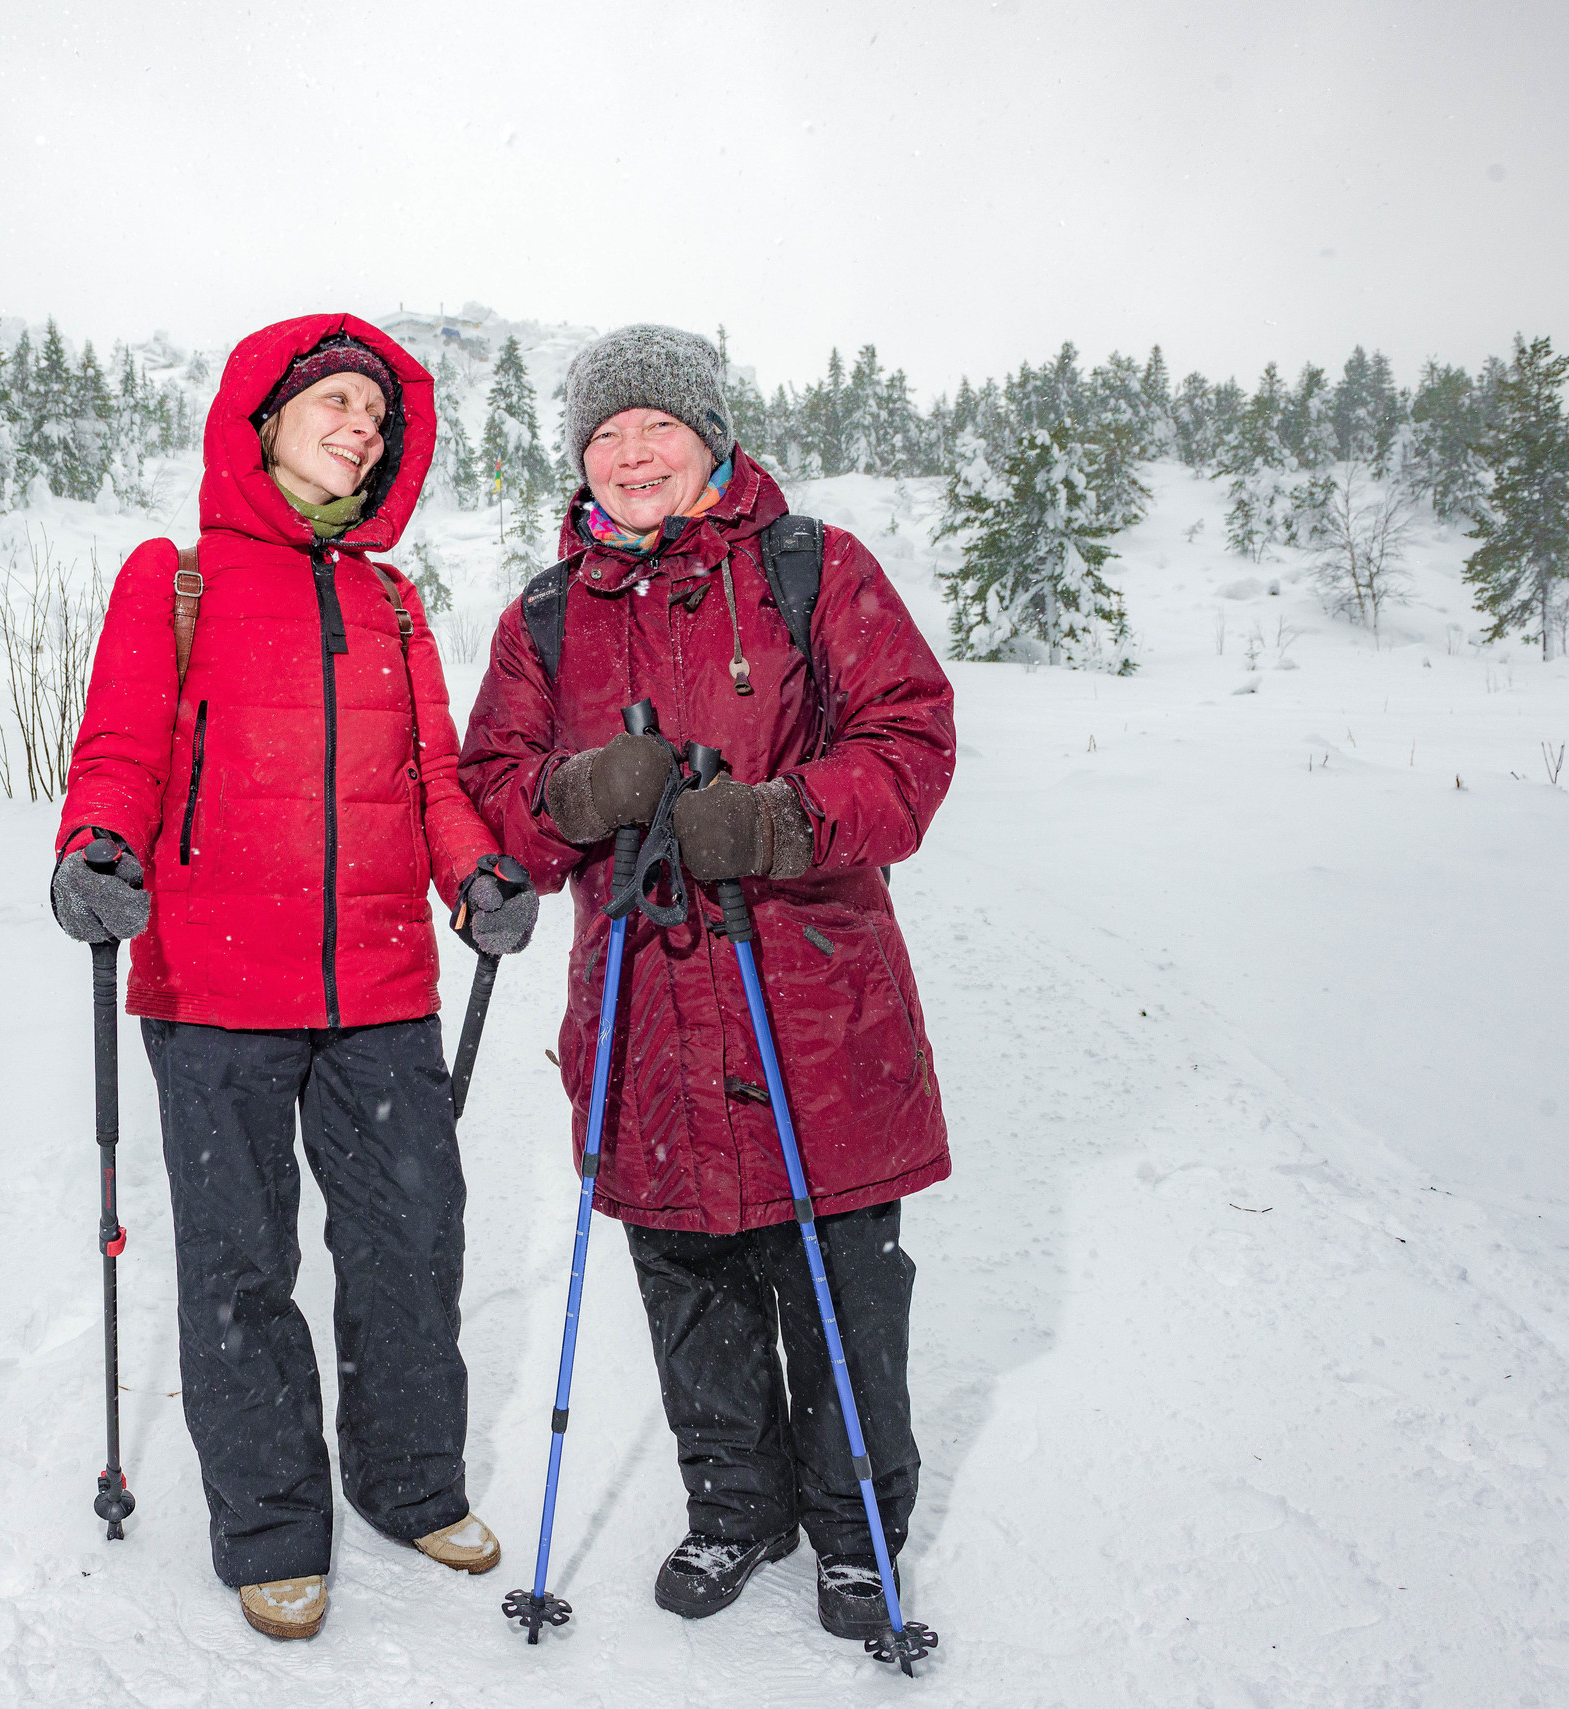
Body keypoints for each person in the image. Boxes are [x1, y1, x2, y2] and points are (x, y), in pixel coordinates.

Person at [458, 324, 955, 1640]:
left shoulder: (810, 569)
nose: (630, 455)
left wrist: (781, 819)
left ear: (709, 437)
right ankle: (735, 1502)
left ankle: (856, 1528)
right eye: (605, 436)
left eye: (654, 429)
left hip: (812, 997)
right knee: (687, 1269)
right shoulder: (546, 619)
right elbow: (489, 799)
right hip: (646, 1005)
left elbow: (913, 739)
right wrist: (576, 795)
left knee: (838, 1268)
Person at [51, 314, 537, 1642]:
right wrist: (93, 844)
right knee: (238, 1267)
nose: (357, 429)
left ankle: (407, 1480)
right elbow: (119, 751)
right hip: (213, 992)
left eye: (376, 419)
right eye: (332, 402)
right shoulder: (179, 577)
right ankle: (271, 1523)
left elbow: (433, 779)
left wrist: (476, 871)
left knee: (411, 1245)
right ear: (262, 420)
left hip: (381, 986)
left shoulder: (389, 598)